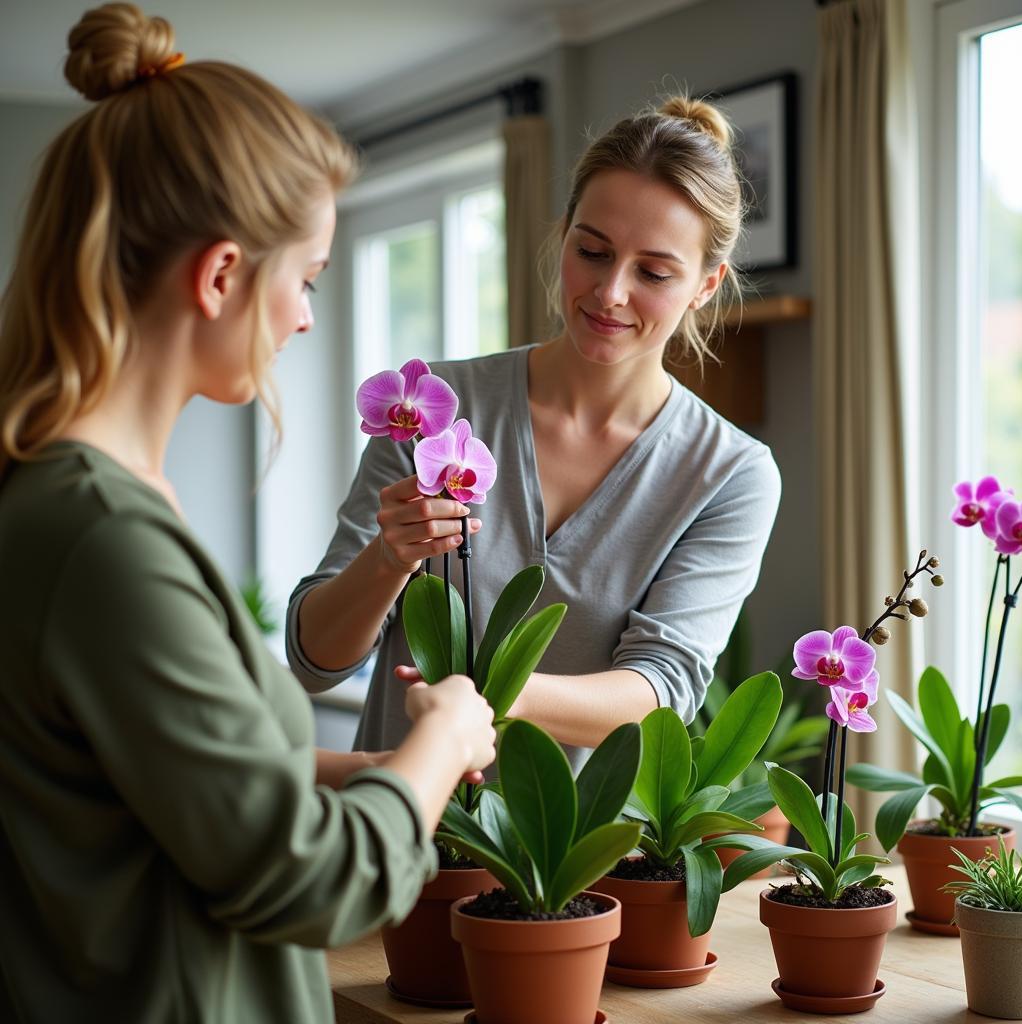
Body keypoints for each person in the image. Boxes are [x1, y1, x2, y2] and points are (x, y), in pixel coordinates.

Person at [0, 5, 495, 1022]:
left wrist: (359, 767)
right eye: (305, 278)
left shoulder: (59, 494)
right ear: (222, 274)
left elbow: (129, 768)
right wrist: (437, 742)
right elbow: (308, 881)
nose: (308, 317)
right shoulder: (104, 539)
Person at [287, 95, 783, 770]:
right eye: (593, 251)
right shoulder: (437, 404)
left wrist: (489, 695)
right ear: (563, 236)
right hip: (398, 842)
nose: (610, 292)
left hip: (571, 865)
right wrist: (387, 557)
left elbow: (661, 689)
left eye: (655, 272)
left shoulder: (728, 473)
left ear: (705, 284)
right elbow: (314, 662)